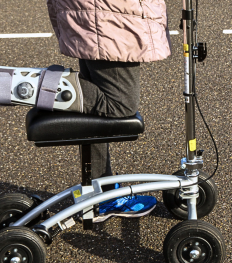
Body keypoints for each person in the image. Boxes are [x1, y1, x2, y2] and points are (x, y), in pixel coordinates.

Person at [46, 0, 171, 182]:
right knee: (121, 105)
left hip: (100, 14)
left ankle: (100, 190)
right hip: (111, 17)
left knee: (95, 113)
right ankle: (26, 86)